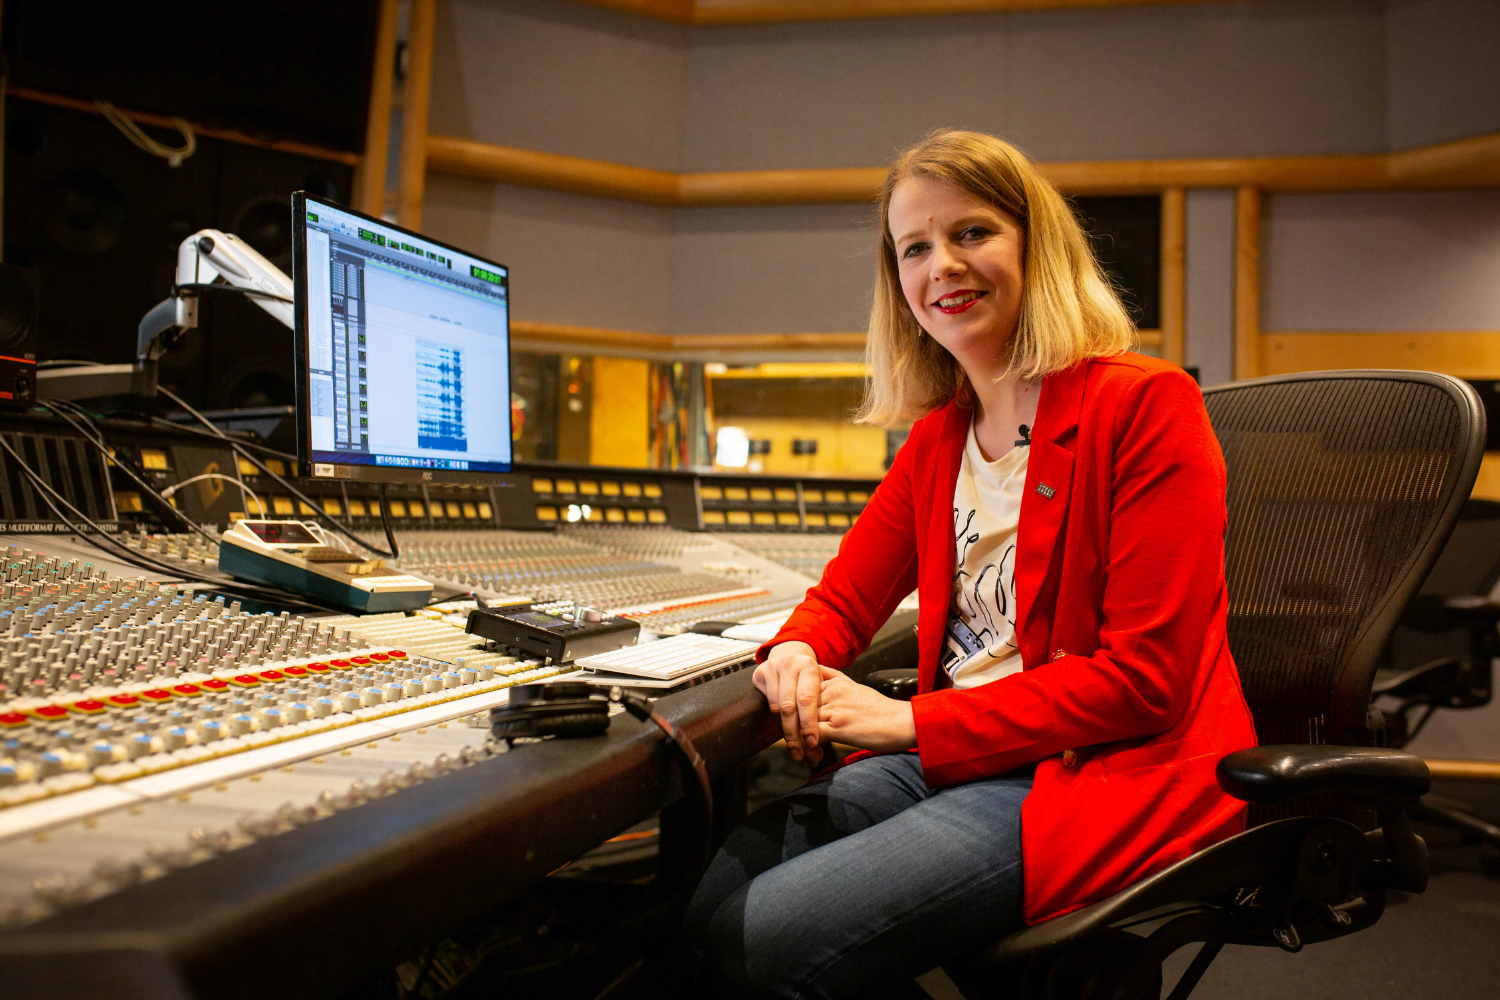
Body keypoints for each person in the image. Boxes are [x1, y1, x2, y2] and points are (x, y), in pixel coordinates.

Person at [681, 129, 1258, 999]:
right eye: (915, 247)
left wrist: (910, 725)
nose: (941, 265)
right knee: (708, 912)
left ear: (1037, 248)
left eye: (972, 233)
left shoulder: (1145, 407)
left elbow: (1145, 682)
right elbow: (841, 598)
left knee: (763, 944)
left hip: (1094, 768)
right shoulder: (939, 438)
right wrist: (796, 654)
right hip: (971, 756)